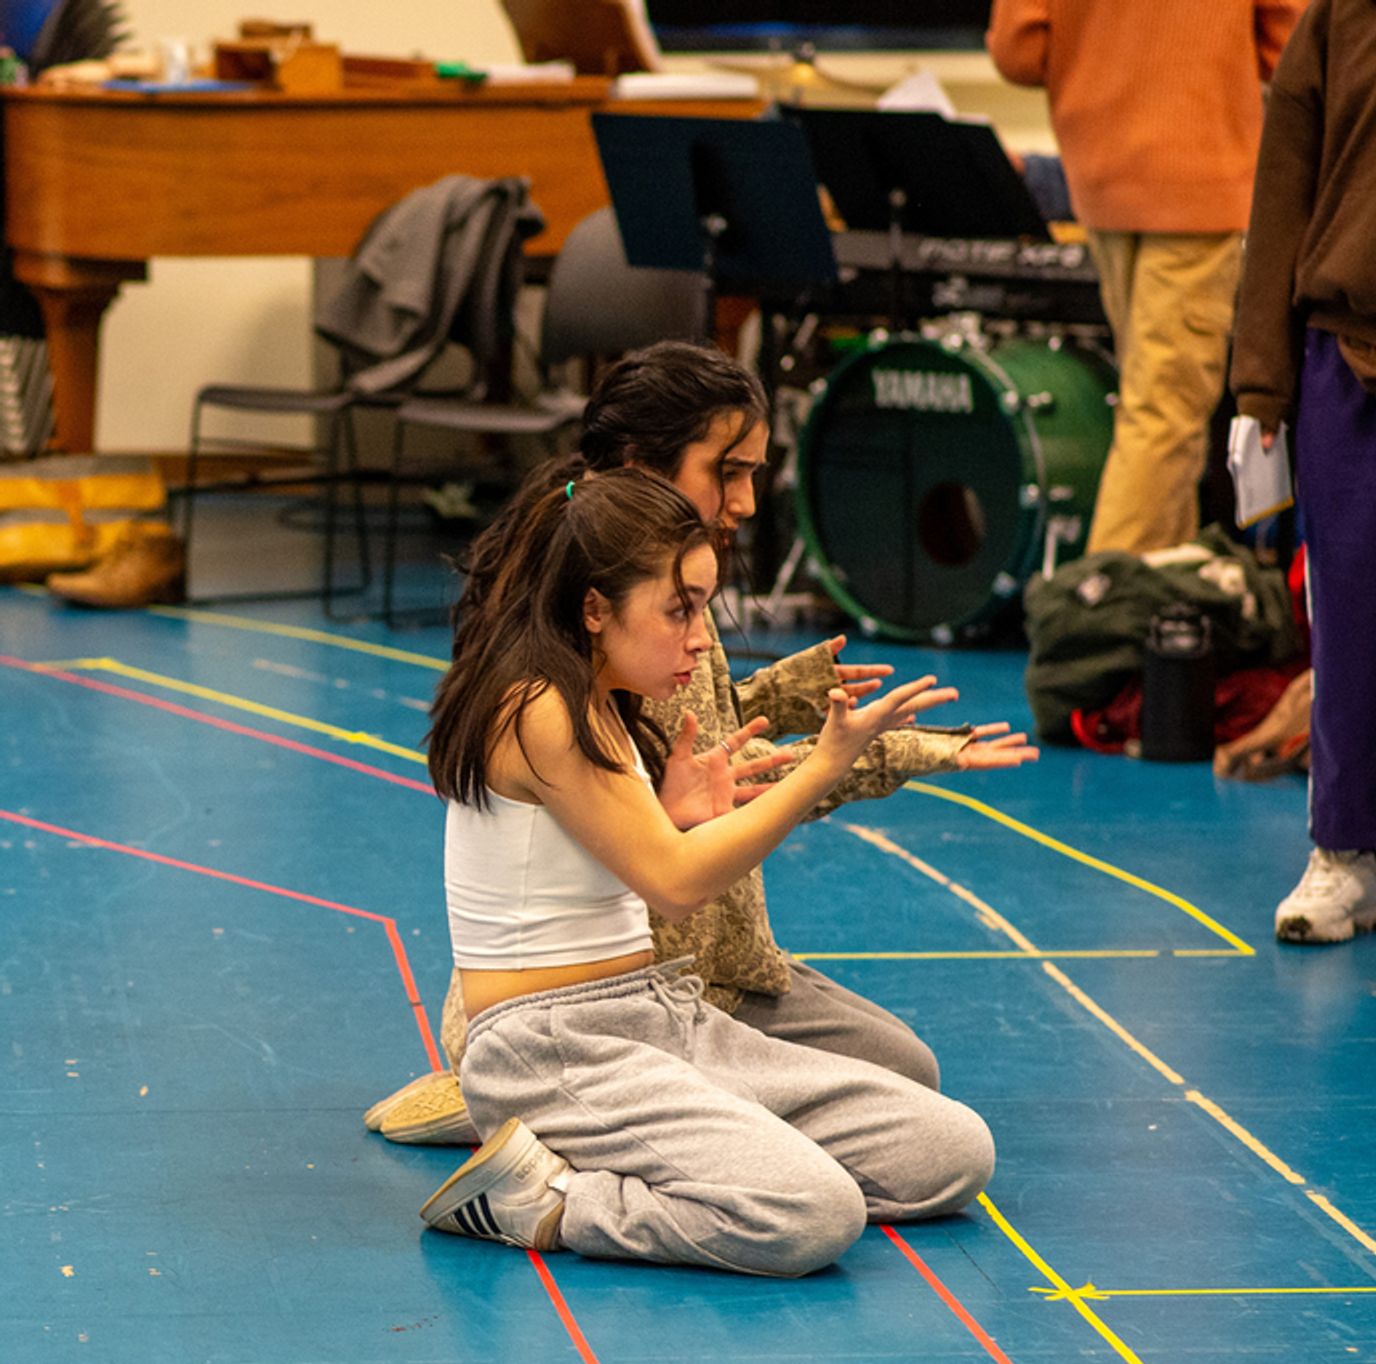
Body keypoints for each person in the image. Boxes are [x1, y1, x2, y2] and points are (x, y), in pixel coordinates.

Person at [366, 343, 1039, 1146]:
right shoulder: (608, 629)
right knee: (892, 1098)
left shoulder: (657, 593)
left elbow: (699, 753)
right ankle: (530, 1106)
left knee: (903, 1073)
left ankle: (576, 1105)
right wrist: (891, 752)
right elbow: (728, 792)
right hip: (632, 984)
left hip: (699, 965)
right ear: (635, 465)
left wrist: (781, 694)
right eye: (729, 470)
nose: (748, 501)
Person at [415, 469, 997, 1273]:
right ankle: (550, 1201)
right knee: (813, 1215)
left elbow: (620, 856)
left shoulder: (600, 699)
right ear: (593, 609)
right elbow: (676, 883)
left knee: (953, 1149)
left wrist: (671, 811)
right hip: (552, 1051)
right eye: (679, 608)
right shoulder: (537, 706)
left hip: (659, 1016)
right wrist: (818, 768)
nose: (699, 635)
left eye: (703, 609)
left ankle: (707, 1160)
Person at [986, 0, 1307, 555]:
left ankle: (1161, 603)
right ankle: (1101, 614)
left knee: (1151, 406)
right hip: (1199, 179)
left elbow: (1018, 51)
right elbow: (1295, 43)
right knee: (1164, 412)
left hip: (1099, 176)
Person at [1230, 0, 1376, 944]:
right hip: (1353, 357)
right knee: (1355, 620)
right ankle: (1344, 856)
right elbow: (1282, 189)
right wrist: (1261, 386)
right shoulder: (1342, 16)